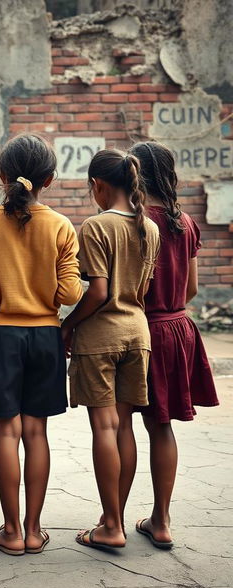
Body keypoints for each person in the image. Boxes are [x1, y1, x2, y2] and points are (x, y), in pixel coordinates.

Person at [0, 134, 82, 556]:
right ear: (49, 178)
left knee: (6, 432)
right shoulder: (61, 226)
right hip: (45, 337)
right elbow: (69, 293)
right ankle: (33, 530)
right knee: (36, 432)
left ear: (2, 175)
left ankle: (9, 531)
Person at [62, 149, 160, 551]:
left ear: (99, 185)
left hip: (100, 338)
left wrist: (68, 324)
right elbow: (145, 289)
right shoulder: (148, 227)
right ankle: (112, 516)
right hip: (137, 334)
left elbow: (98, 291)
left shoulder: (96, 226)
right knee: (125, 428)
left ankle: (112, 526)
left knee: (104, 428)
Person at [129, 141, 218, 549]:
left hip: (138, 328)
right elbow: (193, 286)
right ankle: (162, 520)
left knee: (118, 424)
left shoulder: (132, 221)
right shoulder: (186, 223)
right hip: (178, 327)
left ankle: (110, 516)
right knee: (161, 427)